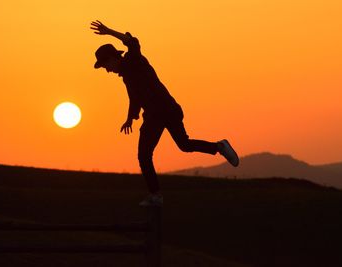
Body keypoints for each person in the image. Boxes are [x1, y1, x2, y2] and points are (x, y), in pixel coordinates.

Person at [90, 20, 239, 206]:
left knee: (158, 152)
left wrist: (109, 31)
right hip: (161, 112)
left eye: (106, 65)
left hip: (163, 111)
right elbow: (134, 99)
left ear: (113, 58)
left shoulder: (134, 60)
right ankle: (217, 148)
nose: (107, 70)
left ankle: (157, 194)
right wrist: (130, 118)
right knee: (171, 148)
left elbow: (133, 42)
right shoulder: (127, 77)